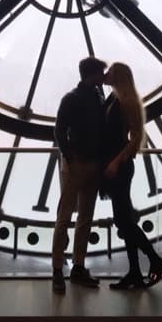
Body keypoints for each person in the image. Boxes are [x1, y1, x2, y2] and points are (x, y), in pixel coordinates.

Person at [101, 61, 162, 290]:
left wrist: (114, 162)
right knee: (125, 220)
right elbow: (135, 138)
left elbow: (134, 138)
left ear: (117, 76)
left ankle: (150, 263)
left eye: (109, 71)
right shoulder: (124, 100)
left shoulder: (117, 101)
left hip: (117, 166)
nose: (105, 74)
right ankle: (137, 271)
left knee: (123, 220)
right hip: (120, 166)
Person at [52, 56, 107, 294]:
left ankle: (57, 271)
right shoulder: (98, 98)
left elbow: (59, 131)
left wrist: (69, 156)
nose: (103, 78)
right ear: (92, 75)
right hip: (91, 164)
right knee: (84, 218)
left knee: (64, 217)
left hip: (75, 164)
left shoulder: (71, 99)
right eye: (100, 74)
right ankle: (78, 265)